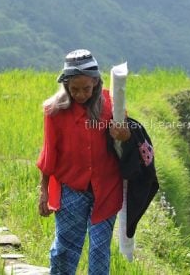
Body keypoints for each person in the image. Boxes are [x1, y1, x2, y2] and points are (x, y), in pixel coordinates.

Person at [36, 49, 131, 275]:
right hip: (71, 188)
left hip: (107, 188)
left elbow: (127, 142)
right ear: (66, 85)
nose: (80, 94)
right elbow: (50, 153)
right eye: (74, 89)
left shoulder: (111, 106)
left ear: (96, 83)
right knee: (65, 248)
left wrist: (124, 135)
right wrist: (44, 191)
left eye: (86, 89)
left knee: (99, 251)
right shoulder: (54, 112)